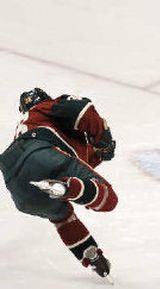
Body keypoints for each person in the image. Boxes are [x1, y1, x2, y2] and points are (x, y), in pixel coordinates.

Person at [0, 88, 117, 279]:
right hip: (43, 154)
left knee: (62, 216)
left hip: (15, 182)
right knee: (109, 199)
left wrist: (100, 153)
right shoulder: (46, 107)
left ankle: (91, 255)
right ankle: (66, 188)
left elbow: (77, 163)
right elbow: (83, 109)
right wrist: (103, 138)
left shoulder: (30, 125)